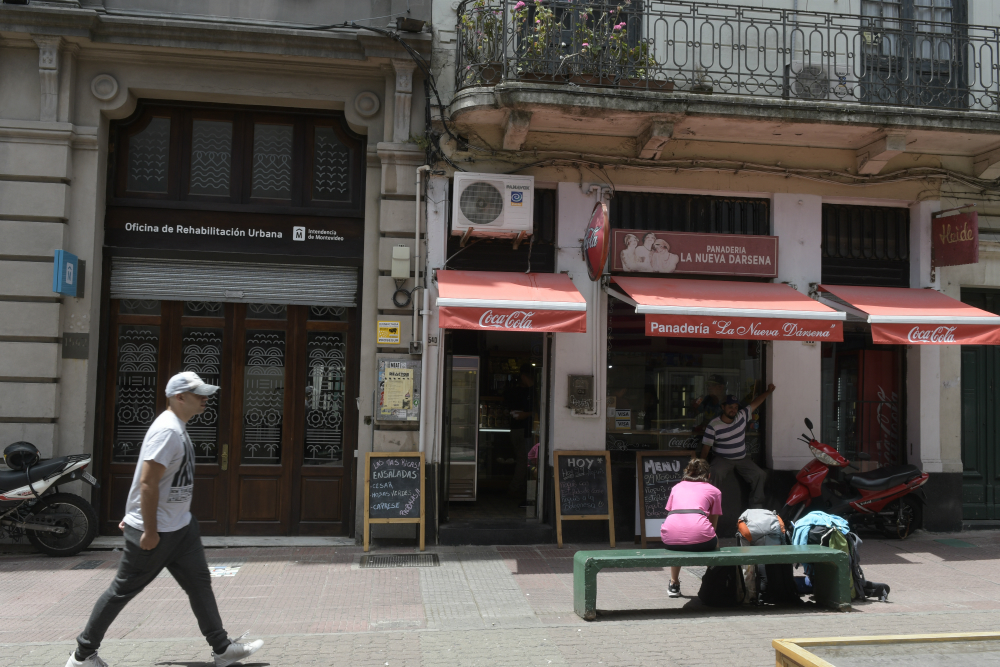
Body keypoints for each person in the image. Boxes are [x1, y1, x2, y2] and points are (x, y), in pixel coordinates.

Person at [67, 372, 264, 667]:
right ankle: (82, 657)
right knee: (121, 591)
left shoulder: (177, 427)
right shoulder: (167, 431)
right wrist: (146, 528)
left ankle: (223, 649)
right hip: (157, 532)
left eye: (205, 393)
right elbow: (147, 482)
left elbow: (151, 480)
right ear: (179, 397)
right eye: (198, 394)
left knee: (199, 584)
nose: (205, 399)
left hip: (180, 527)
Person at [699, 384, 775, 510]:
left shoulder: (742, 416)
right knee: (715, 473)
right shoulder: (714, 425)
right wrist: (701, 466)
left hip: (742, 458)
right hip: (722, 458)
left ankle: (756, 506)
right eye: (730, 407)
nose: (733, 410)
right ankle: (711, 505)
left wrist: (768, 391)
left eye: (735, 407)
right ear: (723, 407)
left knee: (760, 474)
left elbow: (756, 402)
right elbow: (706, 448)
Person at [660, 458, 722, 597]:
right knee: (715, 539)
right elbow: (713, 525)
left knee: (678, 545)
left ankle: (674, 583)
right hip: (701, 536)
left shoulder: (676, 488)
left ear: (687, 473)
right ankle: (712, 581)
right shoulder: (715, 491)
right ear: (708, 476)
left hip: (670, 538)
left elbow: (672, 511)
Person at [505, 363, 536, 504]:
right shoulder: (528, 391)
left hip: (520, 429)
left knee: (523, 459)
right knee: (524, 460)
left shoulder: (526, 391)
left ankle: (519, 488)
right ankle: (516, 488)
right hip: (523, 430)